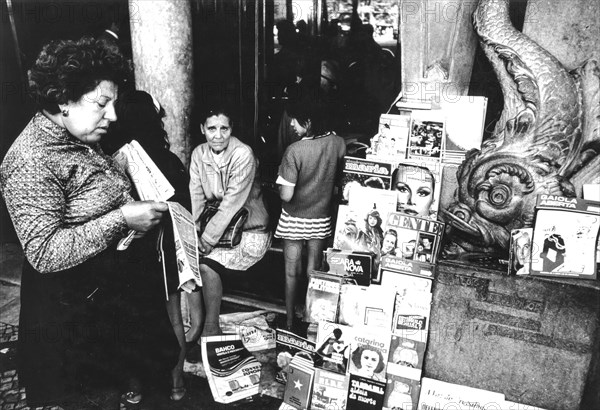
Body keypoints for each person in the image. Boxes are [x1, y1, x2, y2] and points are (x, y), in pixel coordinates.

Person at [0, 37, 178, 407]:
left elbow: (85, 194)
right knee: (97, 398)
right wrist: (123, 217)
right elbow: (45, 252)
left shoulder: (79, 134)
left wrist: (119, 172)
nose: (112, 115)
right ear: (62, 99)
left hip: (112, 301)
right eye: (101, 104)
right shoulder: (31, 159)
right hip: (76, 319)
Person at [109, 90, 191, 401]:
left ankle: (135, 387)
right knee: (173, 317)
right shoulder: (170, 160)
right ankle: (176, 385)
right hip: (166, 251)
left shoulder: (114, 162)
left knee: (130, 319)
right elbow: (185, 209)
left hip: (131, 256)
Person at [188, 107, 271, 340]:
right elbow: (196, 197)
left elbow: (231, 204)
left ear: (231, 129)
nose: (218, 135)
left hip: (248, 230)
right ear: (202, 129)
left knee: (206, 265)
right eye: (212, 129)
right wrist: (193, 232)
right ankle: (195, 324)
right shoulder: (198, 154)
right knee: (187, 259)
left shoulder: (242, 154)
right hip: (217, 229)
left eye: (224, 128)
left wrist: (205, 240)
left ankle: (211, 327)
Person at [274, 98, 346, 329]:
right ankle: (311, 319)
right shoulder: (338, 143)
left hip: (293, 219)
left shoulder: (294, 151)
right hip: (321, 218)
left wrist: (276, 183)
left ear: (309, 120)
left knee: (291, 271)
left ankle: (289, 320)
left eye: (295, 119)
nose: (292, 124)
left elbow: (286, 195)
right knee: (314, 270)